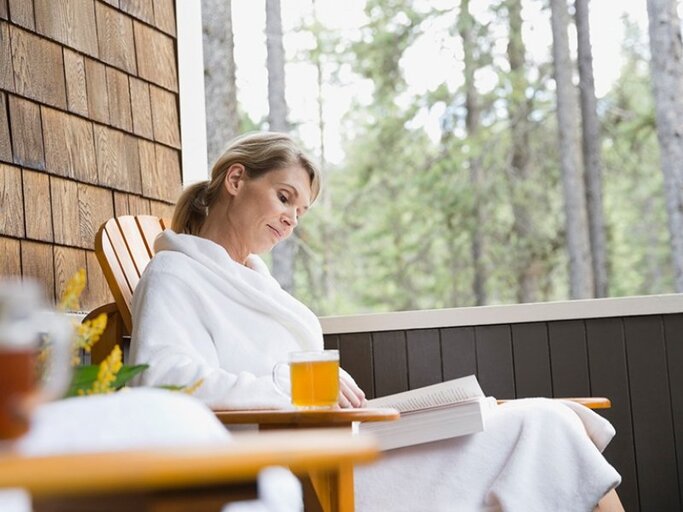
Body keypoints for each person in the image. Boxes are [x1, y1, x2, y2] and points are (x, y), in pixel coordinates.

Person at [130, 131, 623, 512]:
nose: (290, 219)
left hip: (334, 446)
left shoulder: (256, 285)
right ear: (236, 180)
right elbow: (163, 380)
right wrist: (297, 388)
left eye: (299, 212)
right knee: (544, 426)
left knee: (545, 423)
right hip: (291, 470)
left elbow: (278, 372)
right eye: (284, 198)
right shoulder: (176, 273)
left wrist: (312, 384)